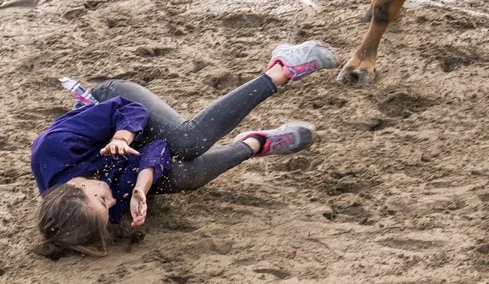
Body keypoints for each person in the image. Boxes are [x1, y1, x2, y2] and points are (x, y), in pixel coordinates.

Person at [30, 41, 338, 258]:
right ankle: (256, 143)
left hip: (116, 109)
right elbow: (157, 151)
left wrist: (121, 138)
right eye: (107, 207)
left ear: (74, 186)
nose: (111, 201)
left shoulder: (53, 148)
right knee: (186, 177)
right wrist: (140, 188)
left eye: (101, 199)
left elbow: (128, 109)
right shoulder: (97, 212)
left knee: (189, 141)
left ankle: (281, 68)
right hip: (130, 151)